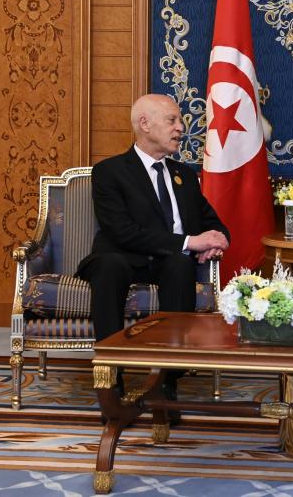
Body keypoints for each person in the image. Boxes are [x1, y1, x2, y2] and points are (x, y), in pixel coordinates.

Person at [76, 94, 230, 404]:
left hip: (167, 261)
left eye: (180, 121)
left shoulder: (184, 175)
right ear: (145, 124)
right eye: (172, 120)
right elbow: (121, 231)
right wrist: (190, 242)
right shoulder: (109, 171)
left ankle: (167, 381)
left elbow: (212, 222)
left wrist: (218, 240)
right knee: (110, 267)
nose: (181, 128)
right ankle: (111, 375)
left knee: (180, 264)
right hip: (121, 256)